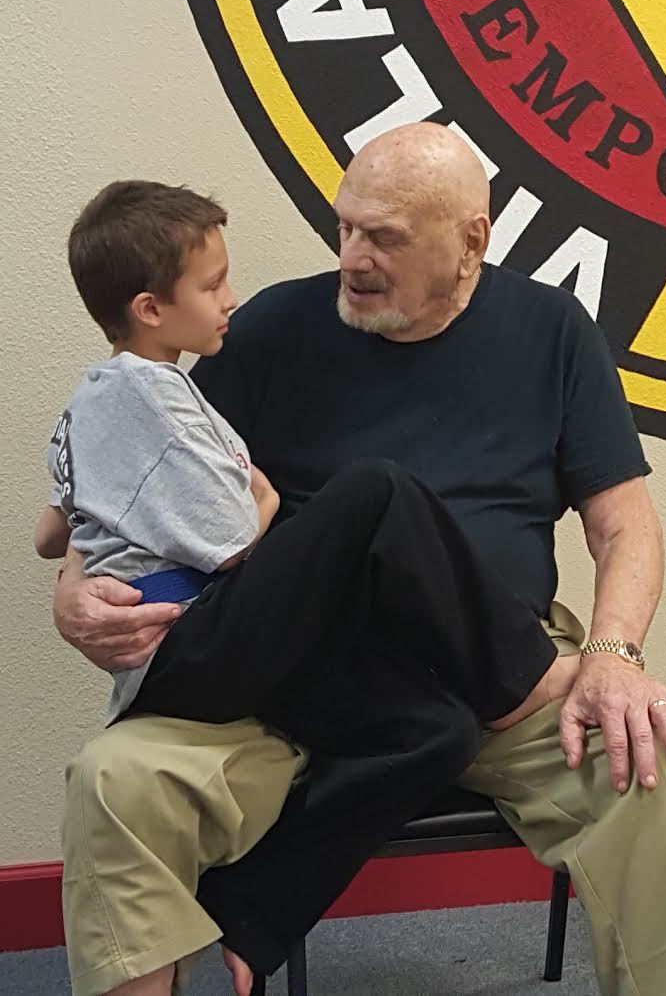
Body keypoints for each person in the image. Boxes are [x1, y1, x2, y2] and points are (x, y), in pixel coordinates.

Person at [51, 123, 666, 996]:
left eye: (383, 236)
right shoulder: (269, 328)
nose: (353, 256)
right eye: (345, 226)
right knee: (115, 779)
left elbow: (626, 527)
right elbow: (140, 482)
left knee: (657, 764)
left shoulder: (551, 330)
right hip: (303, 672)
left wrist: (613, 655)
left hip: (501, 672)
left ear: (471, 240)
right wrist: (74, 589)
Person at [35, 179, 585, 992]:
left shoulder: (120, 398)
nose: (232, 298)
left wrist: (98, 541)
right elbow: (227, 542)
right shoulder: (136, 391)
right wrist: (260, 500)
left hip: (220, 639)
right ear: (152, 309)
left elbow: (51, 531)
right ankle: (525, 678)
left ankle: (254, 911)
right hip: (190, 642)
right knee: (376, 492)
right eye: (214, 285)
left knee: (434, 732)